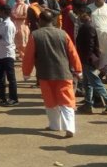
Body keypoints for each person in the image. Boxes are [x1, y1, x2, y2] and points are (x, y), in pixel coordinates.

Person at [22, 9, 82, 138]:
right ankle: (69, 127)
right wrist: (78, 69)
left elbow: (29, 56)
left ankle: (55, 125)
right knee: (67, 100)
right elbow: (73, 53)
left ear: (41, 21)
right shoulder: (63, 34)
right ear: (53, 21)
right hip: (63, 73)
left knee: (50, 101)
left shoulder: (35, 35)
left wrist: (26, 73)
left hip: (45, 73)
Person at [75, 7, 107, 116]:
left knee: (95, 82)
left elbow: (90, 46)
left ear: (88, 15)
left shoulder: (88, 27)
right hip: (86, 59)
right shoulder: (86, 26)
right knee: (87, 83)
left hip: (88, 59)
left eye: (83, 14)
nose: (80, 16)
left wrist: (88, 58)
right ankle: (88, 104)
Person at [0, 4, 18, 106]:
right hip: (1, 53)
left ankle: (13, 98)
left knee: (11, 78)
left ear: (3, 11)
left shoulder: (8, 25)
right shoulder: (2, 23)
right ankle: (1, 97)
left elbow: (7, 41)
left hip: (8, 54)